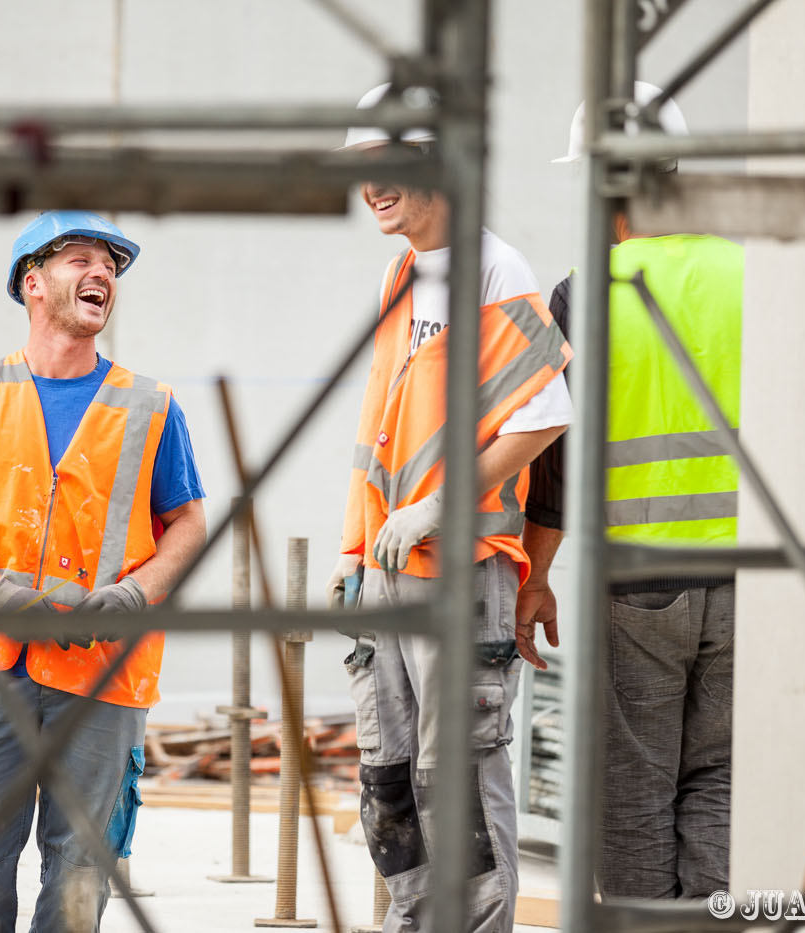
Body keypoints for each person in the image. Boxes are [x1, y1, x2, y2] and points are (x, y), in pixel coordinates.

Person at [0, 210, 206, 932]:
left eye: (110, 265)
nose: (101, 273)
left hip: (104, 673)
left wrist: (134, 594)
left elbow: (190, 525)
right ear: (32, 283)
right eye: (80, 259)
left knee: (80, 878)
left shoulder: (151, 406)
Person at [326, 84, 573, 933]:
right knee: (390, 777)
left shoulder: (494, 269)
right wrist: (353, 549)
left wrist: (439, 506)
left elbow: (545, 413)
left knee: (457, 779)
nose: (372, 186)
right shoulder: (401, 274)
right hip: (388, 570)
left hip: (460, 573)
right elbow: (380, 429)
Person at [519, 82, 742, 899]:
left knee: (634, 787)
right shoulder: (747, 274)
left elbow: (554, 456)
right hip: (748, 575)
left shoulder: (587, 293)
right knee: (720, 776)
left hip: (640, 580)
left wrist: (536, 573)